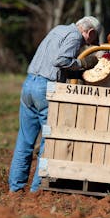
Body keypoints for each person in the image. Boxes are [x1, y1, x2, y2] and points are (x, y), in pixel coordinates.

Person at [8, 16, 102, 193]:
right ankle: (37, 189)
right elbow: (60, 60)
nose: (86, 45)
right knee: (49, 140)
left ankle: (15, 188)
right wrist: (83, 64)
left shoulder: (58, 29)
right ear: (90, 33)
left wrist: (72, 72)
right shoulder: (75, 36)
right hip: (45, 88)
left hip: (29, 84)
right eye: (91, 40)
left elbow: (55, 60)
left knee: (25, 140)